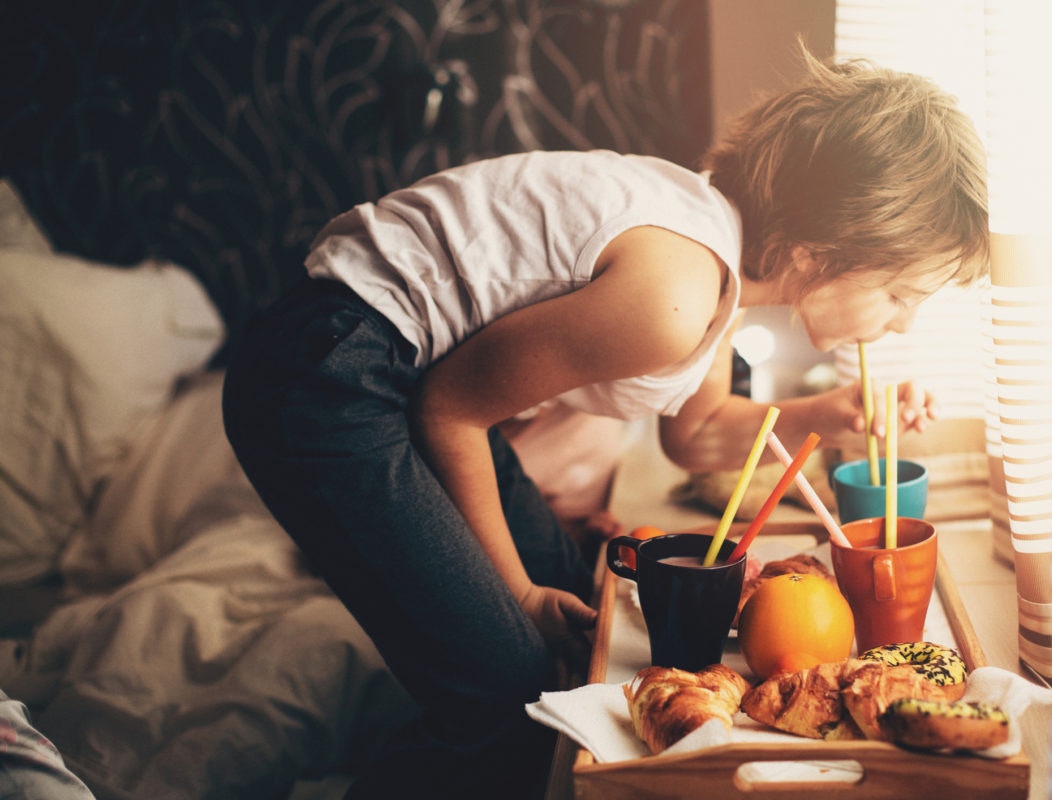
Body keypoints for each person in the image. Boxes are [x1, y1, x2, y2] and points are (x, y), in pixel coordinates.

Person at [222, 40, 988, 800]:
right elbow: (451, 408)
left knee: (582, 596)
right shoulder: (673, 294)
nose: (903, 324)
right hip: (330, 373)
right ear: (825, 249)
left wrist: (829, 415)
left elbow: (697, 434)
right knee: (507, 690)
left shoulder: (711, 259)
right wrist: (514, 596)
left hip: (398, 376)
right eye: (900, 294)